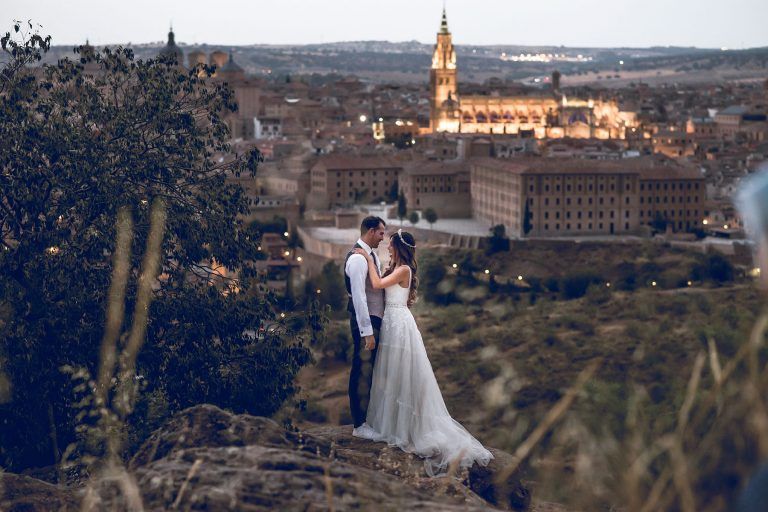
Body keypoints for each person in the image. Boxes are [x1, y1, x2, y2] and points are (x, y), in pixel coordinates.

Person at [352, 229, 493, 476]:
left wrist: (364, 255)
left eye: (392, 245)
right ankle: (394, 425)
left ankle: (406, 429)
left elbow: (376, 284)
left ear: (399, 248)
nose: (389, 248)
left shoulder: (404, 269)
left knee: (402, 372)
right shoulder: (397, 267)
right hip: (392, 322)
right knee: (392, 374)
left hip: (399, 324)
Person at [344, 216, 386, 431]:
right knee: (361, 371)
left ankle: (367, 419)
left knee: (369, 372)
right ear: (370, 231)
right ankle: (359, 424)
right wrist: (367, 332)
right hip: (366, 322)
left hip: (374, 320)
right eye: (380, 233)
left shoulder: (370, 256)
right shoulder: (358, 259)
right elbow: (359, 297)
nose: (382, 237)